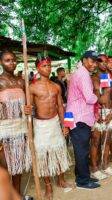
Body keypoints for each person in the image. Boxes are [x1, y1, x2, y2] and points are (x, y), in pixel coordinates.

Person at [30, 55, 72, 199]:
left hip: (54, 122)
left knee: (59, 150)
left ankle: (61, 180)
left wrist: (64, 124)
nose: (47, 68)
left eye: (48, 65)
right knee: (43, 155)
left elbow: (60, 106)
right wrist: (27, 111)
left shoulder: (56, 86)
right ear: (37, 68)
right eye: (43, 66)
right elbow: (29, 108)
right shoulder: (32, 87)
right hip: (40, 125)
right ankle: (48, 186)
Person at [66, 51, 100, 189]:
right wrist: (97, 95)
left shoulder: (81, 72)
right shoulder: (83, 74)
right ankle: (83, 182)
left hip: (78, 116)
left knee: (81, 149)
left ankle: (81, 175)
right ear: (84, 60)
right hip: (79, 118)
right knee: (82, 150)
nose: (94, 64)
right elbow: (89, 98)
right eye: (92, 61)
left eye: (96, 61)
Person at [0, 50, 31, 195]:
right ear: (1, 62)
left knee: (18, 167)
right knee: (5, 167)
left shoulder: (21, 82)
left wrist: (29, 109)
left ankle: (17, 194)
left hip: (20, 128)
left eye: (13, 60)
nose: (11, 62)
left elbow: (29, 105)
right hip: (4, 130)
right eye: (7, 60)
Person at [91, 57, 112, 179]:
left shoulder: (111, 79)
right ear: (96, 63)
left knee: (107, 141)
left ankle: (105, 165)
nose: (104, 63)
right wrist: (95, 113)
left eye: (106, 61)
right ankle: (95, 168)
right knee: (96, 141)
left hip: (109, 113)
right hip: (96, 113)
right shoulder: (91, 79)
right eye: (101, 61)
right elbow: (89, 99)